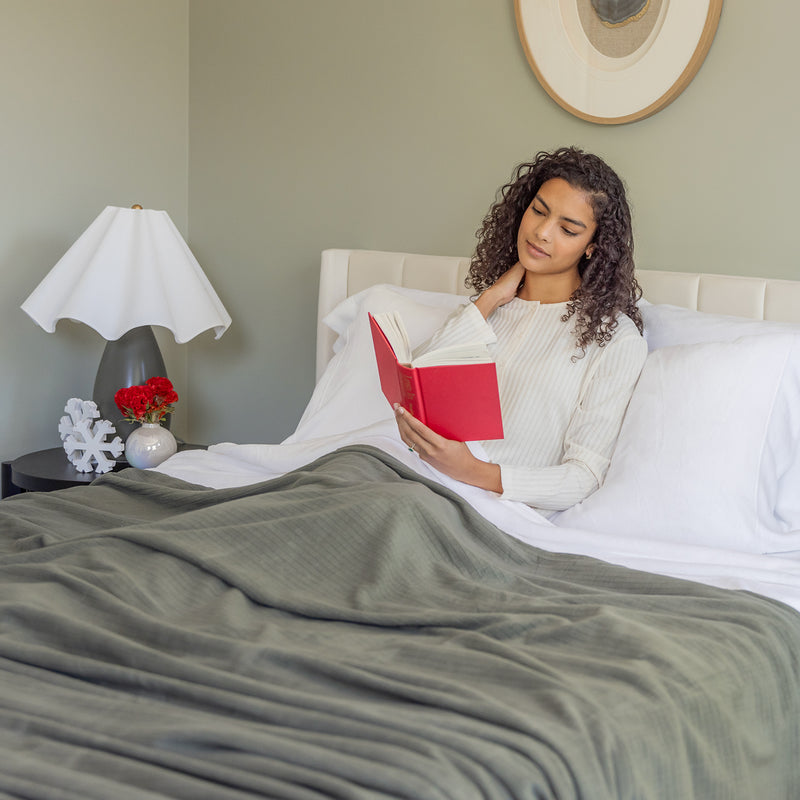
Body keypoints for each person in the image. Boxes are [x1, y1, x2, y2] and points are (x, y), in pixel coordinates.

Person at [393, 146, 648, 514]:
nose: (541, 232)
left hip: (484, 510)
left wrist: (471, 470)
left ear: (593, 246)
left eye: (568, 229)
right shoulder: (491, 309)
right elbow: (414, 385)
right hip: (411, 477)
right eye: (539, 211)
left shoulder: (614, 339)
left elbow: (583, 477)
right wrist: (489, 300)